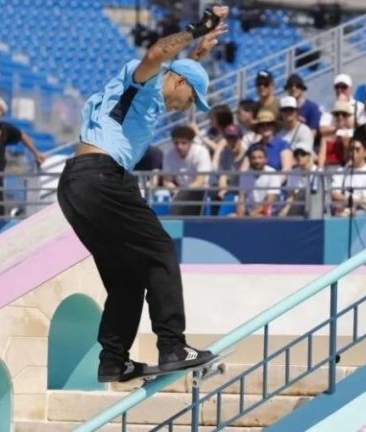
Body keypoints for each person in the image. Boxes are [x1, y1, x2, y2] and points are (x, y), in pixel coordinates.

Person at [57, 6, 228, 383]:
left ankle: (113, 360)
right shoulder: (145, 80)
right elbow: (156, 57)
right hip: (102, 179)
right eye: (189, 99)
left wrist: (199, 53)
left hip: (75, 185)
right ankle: (172, 345)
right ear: (179, 84)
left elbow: (175, 69)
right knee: (160, 252)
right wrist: (198, 28)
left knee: (126, 276)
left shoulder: (147, 95)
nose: (184, 109)